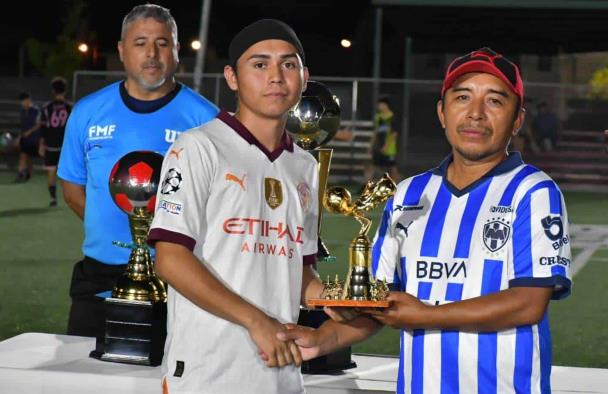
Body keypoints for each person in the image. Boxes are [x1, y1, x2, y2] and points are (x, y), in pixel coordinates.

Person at [281, 47, 573, 394]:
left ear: (518, 119)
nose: (476, 114)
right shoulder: (409, 193)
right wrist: (321, 340)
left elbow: (528, 303)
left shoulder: (533, 191)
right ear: (442, 112)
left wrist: (425, 315)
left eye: (495, 101)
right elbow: (380, 302)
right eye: (462, 97)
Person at [146, 19, 339, 394]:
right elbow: (170, 259)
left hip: (281, 372)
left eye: (288, 64)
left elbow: (298, 269)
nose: (276, 77)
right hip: (207, 373)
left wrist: (339, 299)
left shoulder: (305, 166)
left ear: (304, 76)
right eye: (260, 64)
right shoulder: (198, 147)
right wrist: (256, 321)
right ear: (232, 77)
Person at [57, 4, 218, 337]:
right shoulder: (88, 112)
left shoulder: (207, 119)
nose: (152, 53)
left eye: (162, 43)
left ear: (176, 51)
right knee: (82, 376)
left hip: (179, 276)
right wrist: (119, 234)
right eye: (141, 42)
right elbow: (73, 190)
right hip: (98, 277)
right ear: (121, 50)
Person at [40, 77, 72, 207]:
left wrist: (41, 144)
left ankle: (53, 199)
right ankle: (70, 198)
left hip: (51, 144)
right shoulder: (70, 107)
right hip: (66, 146)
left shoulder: (47, 108)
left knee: (51, 172)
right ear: (65, 91)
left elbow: (43, 126)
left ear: (53, 90)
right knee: (68, 174)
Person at [366, 96, 400, 181]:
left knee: (392, 168)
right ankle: (368, 187)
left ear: (386, 105)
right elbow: (375, 132)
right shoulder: (378, 117)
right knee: (372, 166)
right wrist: (370, 146)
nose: (378, 106)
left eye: (380, 104)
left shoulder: (392, 117)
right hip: (378, 146)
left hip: (389, 148)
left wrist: (386, 146)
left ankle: (396, 188)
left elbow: (394, 134)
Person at [14, 92, 41, 183]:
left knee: (28, 157)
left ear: (28, 100)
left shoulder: (36, 110)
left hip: (34, 138)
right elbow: (22, 127)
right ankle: (21, 174)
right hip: (25, 139)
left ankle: (28, 173)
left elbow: (39, 124)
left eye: (24, 101)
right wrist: (19, 137)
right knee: (23, 155)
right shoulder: (22, 111)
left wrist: (30, 132)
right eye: (21, 101)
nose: (22, 103)